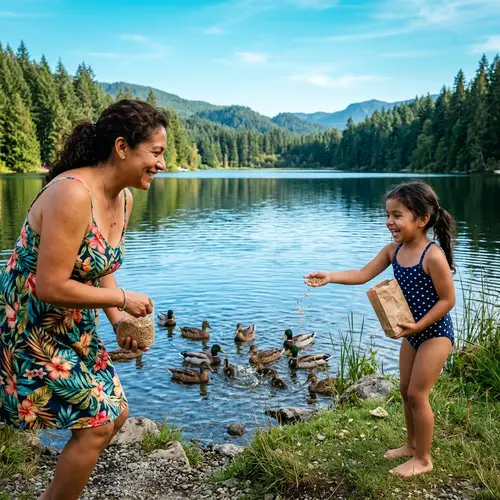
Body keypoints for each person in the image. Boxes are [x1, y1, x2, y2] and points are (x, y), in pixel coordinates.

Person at [0, 99, 168, 499]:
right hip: (32, 323)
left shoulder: (124, 197)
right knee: (95, 425)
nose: (162, 164)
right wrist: (124, 299)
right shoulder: (72, 194)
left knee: (117, 412)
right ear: (122, 147)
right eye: (157, 152)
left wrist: (117, 319)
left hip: (73, 320)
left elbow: (99, 263)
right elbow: (50, 285)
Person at [304, 181, 456, 478]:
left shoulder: (432, 256)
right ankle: (411, 445)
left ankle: (424, 459)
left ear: (422, 219)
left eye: (397, 215)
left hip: (435, 333)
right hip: (412, 334)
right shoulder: (393, 251)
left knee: (417, 394)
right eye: (388, 214)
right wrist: (330, 276)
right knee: (404, 391)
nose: (390, 221)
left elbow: (448, 300)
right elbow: (362, 274)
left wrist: (418, 326)